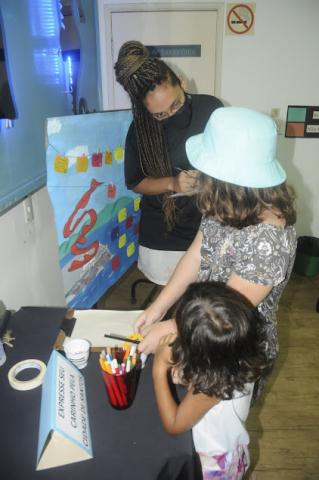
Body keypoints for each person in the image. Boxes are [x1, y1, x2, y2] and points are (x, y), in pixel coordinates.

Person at [135, 107, 297, 396]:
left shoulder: (269, 241)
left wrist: (171, 326)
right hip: (200, 328)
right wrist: (158, 308)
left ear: (226, 182)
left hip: (236, 351)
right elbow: (195, 256)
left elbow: (223, 316)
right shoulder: (226, 205)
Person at [114, 41, 223, 285]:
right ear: (145, 111)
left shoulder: (211, 109)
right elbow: (136, 182)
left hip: (210, 226)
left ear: (182, 82)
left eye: (176, 104)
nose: (172, 115)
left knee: (206, 302)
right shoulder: (140, 130)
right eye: (160, 115)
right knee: (175, 307)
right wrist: (173, 183)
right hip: (165, 237)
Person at [153, 281, 273, 479]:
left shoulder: (214, 387)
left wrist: (159, 369)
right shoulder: (241, 354)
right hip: (231, 448)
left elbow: (174, 425)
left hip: (210, 464)